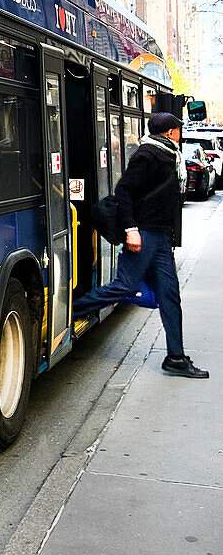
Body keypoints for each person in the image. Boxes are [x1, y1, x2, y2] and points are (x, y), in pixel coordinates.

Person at [74, 112, 208, 378]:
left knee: (170, 294)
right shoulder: (148, 155)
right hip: (143, 234)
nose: (180, 133)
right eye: (178, 130)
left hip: (159, 236)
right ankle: (74, 310)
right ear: (170, 132)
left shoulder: (169, 154)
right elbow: (123, 190)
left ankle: (176, 358)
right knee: (125, 286)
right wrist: (131, 229)